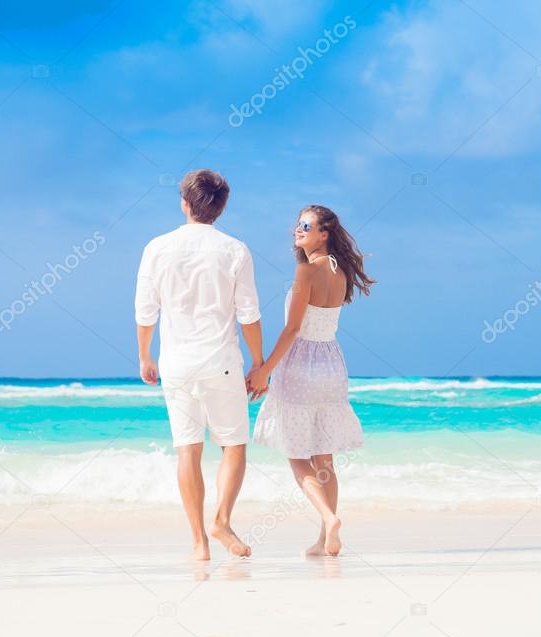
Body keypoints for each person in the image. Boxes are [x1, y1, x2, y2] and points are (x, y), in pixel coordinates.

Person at [135, 169, 263, 561]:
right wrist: (259, 362)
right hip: (221, 360)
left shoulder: (157, 247)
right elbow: (248, 315)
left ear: (185, 203)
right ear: (221, 208)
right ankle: (222, 520)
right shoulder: (235, 250)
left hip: (176, 363)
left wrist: (145, 355)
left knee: (187, 451)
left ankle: (198, 543)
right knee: (234, 447)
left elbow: (145, 310)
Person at [248, 204, 372, 557]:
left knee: (295, 452)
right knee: (324, 456)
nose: (298, 230)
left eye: (306, 226)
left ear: (324, 234)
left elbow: (292, 329)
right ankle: (325, 538)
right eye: (297, 225)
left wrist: (264, 369)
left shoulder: (306, 272)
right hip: (331, 364)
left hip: (301, 365)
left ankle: (329, 518)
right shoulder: (340, 272)